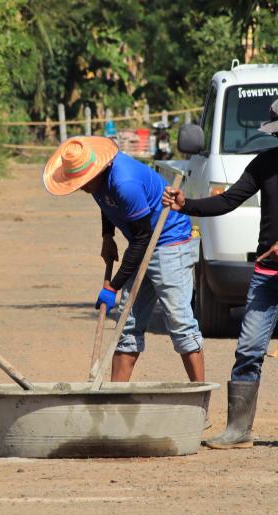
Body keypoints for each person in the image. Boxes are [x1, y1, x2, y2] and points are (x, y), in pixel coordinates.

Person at [163, 96, 278, 449]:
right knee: (248, 350)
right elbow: (229, 199)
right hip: (266, 274)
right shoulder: (265, 162)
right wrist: (188, 205)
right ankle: (238, 430)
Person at [43, 137, 205, 382]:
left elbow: (142, 239)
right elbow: (106, 203)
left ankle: (200, 395)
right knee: (126, 327)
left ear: (98, 170)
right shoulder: (96, 181)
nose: (82, 188)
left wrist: (113, 286)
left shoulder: (125, 182)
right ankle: (114, 397)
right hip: (142, 241)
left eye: (84, 182)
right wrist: (107, 237)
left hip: (170, 242)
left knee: (180, 323)